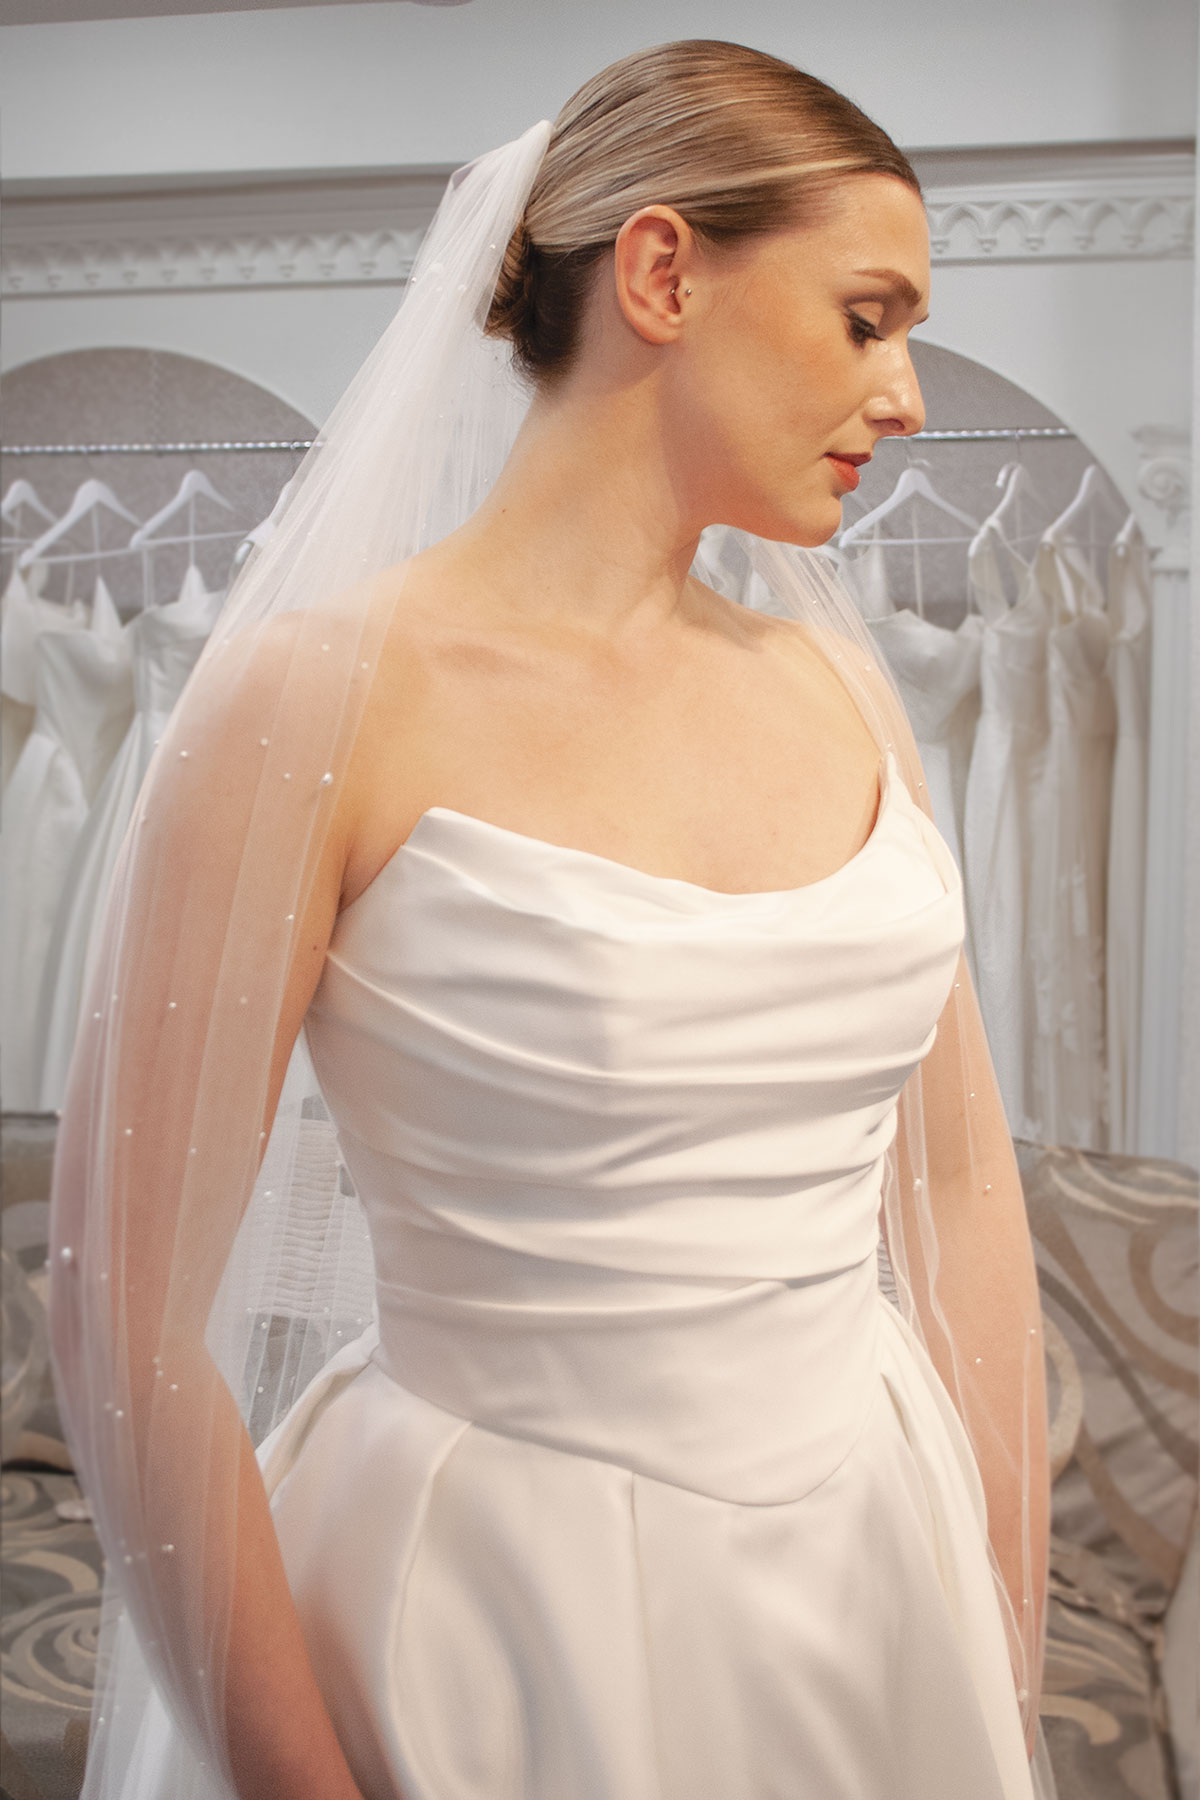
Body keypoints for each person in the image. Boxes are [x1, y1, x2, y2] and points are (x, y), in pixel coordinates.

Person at [48, 39, 1055, 1800]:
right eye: (867, 317)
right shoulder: (320, 703)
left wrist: (1003, 1637)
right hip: (495, 1608)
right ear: (665, 272)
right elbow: (123, 1315)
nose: (904, 395)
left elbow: (961, 1185)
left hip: (871, 1569)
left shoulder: (844, 689)